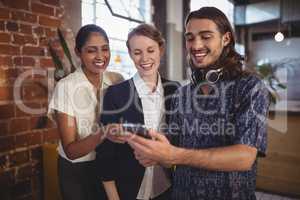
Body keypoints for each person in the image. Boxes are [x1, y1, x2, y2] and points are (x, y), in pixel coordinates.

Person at [127, 7, 270, 200]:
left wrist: (175, 155)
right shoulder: (182, 94)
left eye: (206, 36)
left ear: (226, 39)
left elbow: (244, 157)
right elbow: (172, 153)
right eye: (190, 37)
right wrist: (155, 153)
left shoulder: (250, 87)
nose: (196, 45)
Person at [95, 24, 180, 200]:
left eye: (150, 50)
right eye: (137, 52)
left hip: (167, 188)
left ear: (160, 50)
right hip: (128, 191)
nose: (144, 58)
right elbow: (105, 152)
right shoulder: (116, 93)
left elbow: (178, 141)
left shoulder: (174, 90)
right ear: (130, 54)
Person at [48, 24, 123, 200]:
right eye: (91, 50)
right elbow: (71, 151)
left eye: (105, 49)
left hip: (109, 166)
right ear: (77, 52)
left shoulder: (117, 80)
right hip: (77, 172)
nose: (100, 56)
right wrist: (104, 133)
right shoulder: (66, 87)